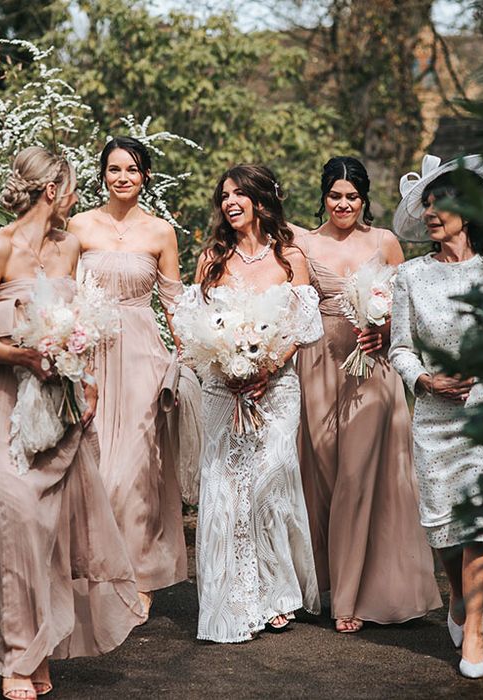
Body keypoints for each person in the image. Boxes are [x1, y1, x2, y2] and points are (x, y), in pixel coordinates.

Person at [0, 147, 144, 700]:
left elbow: (77, 322)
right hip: (0, 406)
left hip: (56, 406)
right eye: (75, 187)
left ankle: (39, 653)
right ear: (53, 190)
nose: (80, 197)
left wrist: (85, 378)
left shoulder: (71, 246)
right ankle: (16, 656)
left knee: (48, 532)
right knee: (13, 526)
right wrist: (22, 356)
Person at [296, 156, 441, 633]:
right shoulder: (302, 242)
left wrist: (383, 330)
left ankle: (353, 599)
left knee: (359, 476)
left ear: (364, 200)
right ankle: (323, 586)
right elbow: (293, 307)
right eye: (336, 196)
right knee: (323, 475)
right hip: (317, 363)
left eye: (352, 197)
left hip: (371, 368)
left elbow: (406, 311)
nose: (343, 204)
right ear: (324, 196)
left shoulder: (385, 242)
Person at [193, 164, 321, 643]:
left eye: (238, 194)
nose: (229, 202)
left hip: (278, 388)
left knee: (270, 481)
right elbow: (200, 330)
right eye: (224, 194)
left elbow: (301, 328)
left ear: (261, 200)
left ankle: (277, 593)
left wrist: (267, 369)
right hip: (223, 390)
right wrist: (227, 368)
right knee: (226, 490)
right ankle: (233, 599)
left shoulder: (291, 258)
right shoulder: (212, 258)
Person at [390, 155, 483, 679]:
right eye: (427, 205)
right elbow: (399, 348)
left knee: (481, 525)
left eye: (443, 203)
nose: (432, 213)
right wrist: (425, 381)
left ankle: (475, 630)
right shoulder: (409, 275)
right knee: (445, 531)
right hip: (434, 417)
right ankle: (457, 595)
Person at [68, 136, 188, 620]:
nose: (123, 178)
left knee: (136, 470)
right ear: (102, 175)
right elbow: (61, 289)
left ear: (145, 177)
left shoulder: (161, 232)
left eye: (133, 170)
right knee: (96, 467)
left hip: (142, 355)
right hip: (89, 354)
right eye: (115, 169)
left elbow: (174, 301)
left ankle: (139, 577)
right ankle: (97, 575)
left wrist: (190, 356)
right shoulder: (77, 226)